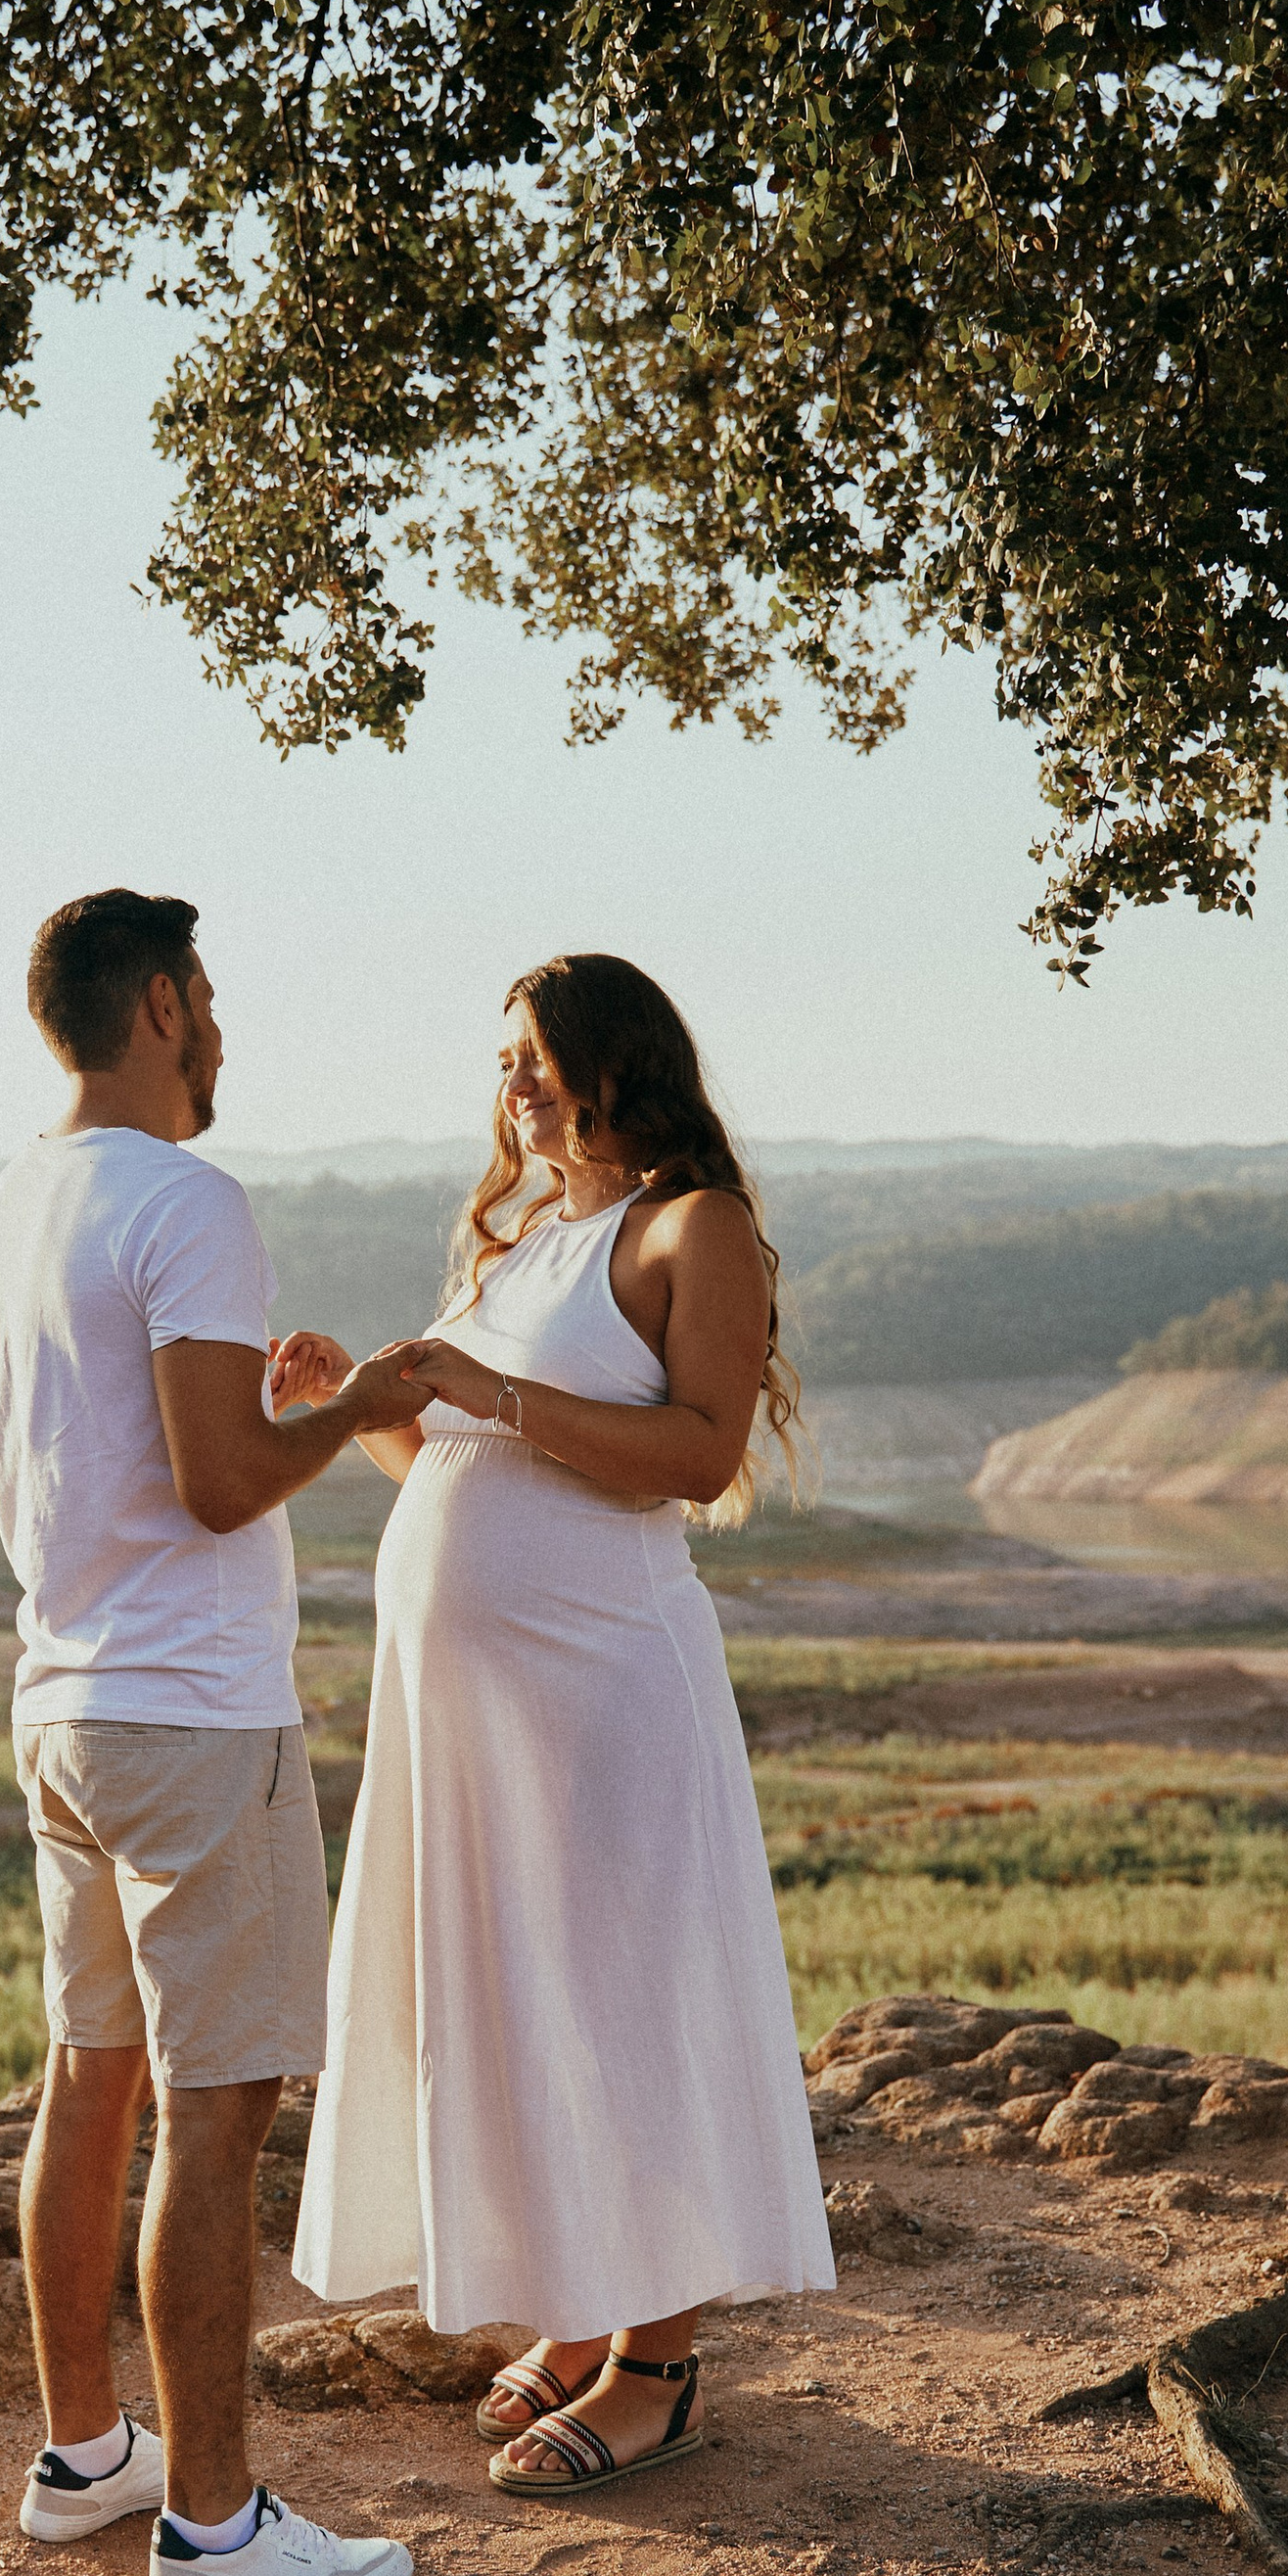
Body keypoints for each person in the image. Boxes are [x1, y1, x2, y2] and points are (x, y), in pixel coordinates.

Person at [286, 953, 837, 2495]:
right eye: (506, 1058)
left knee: (621, 1995)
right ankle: (586, 2318)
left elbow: (697, 1451)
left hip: (604, 1689)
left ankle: (658, 2364)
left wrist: (491, 1390)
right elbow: (450, 1466)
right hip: (479, 1716)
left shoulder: (689, 1227)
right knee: (525, 1993)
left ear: (618, 1060)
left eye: (539, 1054)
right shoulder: (524, 1240)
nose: (515, 1081)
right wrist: (369, 1403)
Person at [0, 887, 428, 2576]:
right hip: (197, 1714)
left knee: (93, 2076)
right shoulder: (190, 1202)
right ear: (158, 1005)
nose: (218, 1027)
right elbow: (225, 1482)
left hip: (59, 1705)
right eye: (206, 996)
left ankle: (87, 2460)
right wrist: (360, 1406)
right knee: (216, 2120)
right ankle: (217, 2536)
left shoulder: (3, 1214)